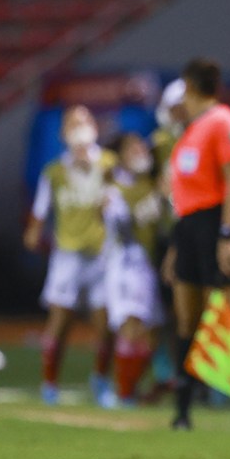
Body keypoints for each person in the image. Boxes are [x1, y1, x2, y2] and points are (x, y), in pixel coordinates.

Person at [163, 57, 230, 432]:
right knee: (187, 320)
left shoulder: (222, 121)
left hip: (214, 226)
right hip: (189, 229)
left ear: (190, 86)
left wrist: (229, 235)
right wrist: (177, 246)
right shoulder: (191, 130)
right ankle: (182, 411)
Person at [24, 105, 117, 406]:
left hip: (102, 254)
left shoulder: (108, 164)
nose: (81, 128)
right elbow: (40, 211)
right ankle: (50, 384)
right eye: (74, 123)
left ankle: (101, 381)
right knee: (60, 321)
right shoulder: (55, 171)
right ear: (64, 133)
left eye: (86, 120)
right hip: (68, 254)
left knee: (106, 324)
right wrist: (34, 233)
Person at [104, 133, 165, 406]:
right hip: (126, 262)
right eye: (133, 148)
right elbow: (124, 229)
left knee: (150, 333)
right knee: (130, 324)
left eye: (142, 146)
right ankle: (124, 392)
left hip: (149, 264)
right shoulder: (113, 189)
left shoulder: (150, 185)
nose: (141, 151)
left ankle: (134, 386)